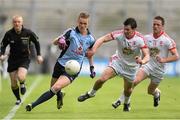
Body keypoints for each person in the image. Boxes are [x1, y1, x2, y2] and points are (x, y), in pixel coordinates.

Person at [25, 12, 96, 111]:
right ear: (77, 22)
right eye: (81, 23)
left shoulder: (91, 39)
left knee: (55, 87)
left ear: (88, 23)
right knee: (53, 88)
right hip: (60, 63)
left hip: (74, 68)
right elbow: (54, 42)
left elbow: (90, 54)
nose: (82, 26)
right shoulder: (71, 32)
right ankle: (60, 96)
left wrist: (92, 68)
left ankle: (32, 105)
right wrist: (60, 40)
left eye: (85, 23)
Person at [77, 18, 150, 112]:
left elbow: (147, 55)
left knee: (128, 90)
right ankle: (91, 93)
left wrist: (142, 61)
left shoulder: (140, 39)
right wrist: (93, 50)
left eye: (128, 30)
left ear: (134, 29)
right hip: (118, 62)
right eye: (124, 29)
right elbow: (103, 39)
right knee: (102, 79)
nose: (125, 31)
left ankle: (127, 103)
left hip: (132, 68)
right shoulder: (119, 34)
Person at [113, 16, 179, 109]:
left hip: (159, 70)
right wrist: (140, 59)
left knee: (150, 91)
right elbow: (140, 48)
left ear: (162, 26)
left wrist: (163, 60)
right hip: (147, 66)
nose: (155, 26)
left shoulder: (167, 40)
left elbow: (176, 56)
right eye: (154, 24)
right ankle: (120, 100)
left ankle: (156, 94)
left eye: (158, 25)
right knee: (133, 82)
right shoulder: (147, 38)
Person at [0, 15, 43, 105]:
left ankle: (22, 84)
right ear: (13, 23)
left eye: (19, 22)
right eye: (15, 22)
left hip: (24, 58)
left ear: (22, 23)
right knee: (13, 83)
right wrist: (2, 55)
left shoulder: (28, 33)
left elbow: (37, 42)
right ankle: (18, 99)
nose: (17, 23)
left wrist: (39, 55)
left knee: (21, 76)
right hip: (12, 59)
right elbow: (3, 45)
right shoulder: (9, 34)